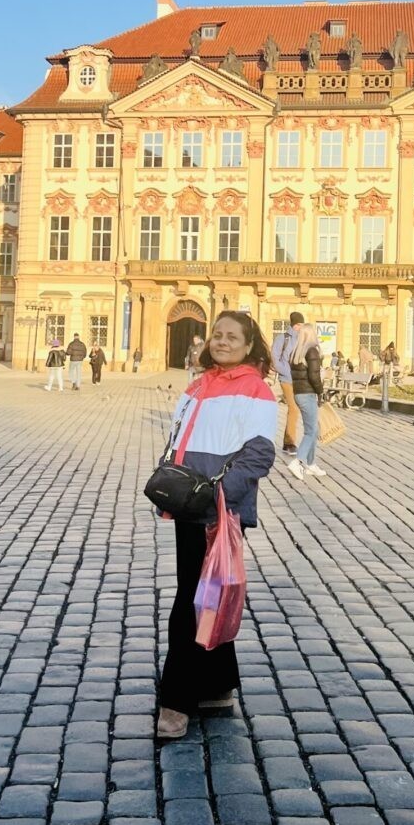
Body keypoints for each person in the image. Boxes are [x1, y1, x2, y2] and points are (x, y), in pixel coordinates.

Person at [155, 311, 276, 741]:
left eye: (232, 337)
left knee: (191, 599)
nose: (222, 342)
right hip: (188, 503)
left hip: (217, 508)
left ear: (249, 346)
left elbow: (260, 454)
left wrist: (217, 493)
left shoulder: (256, 390)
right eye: (217, 335)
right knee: (210, 591)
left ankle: (177, 700)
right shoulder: (197, 383)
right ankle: (216, 687)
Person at [288, 322, 326, 481]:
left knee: (313, 429)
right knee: (311, 431)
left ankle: (311, 464)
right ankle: (298, 461)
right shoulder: (312, 351)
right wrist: (321, 391)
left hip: (298, 393)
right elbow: (314, 376)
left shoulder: (296, 352)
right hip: (308, 393)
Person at [270, 311, 304, 457]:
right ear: (293, 324)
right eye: (298, 324)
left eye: (301, 325)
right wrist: (285, 372)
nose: (299, 327)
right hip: (287, 379)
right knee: (294, 408)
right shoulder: (282, 338)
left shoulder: (303, 338)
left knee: (296, 409)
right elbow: (275, 358)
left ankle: (287, 442)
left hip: (300, 379)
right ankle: (290, 443)